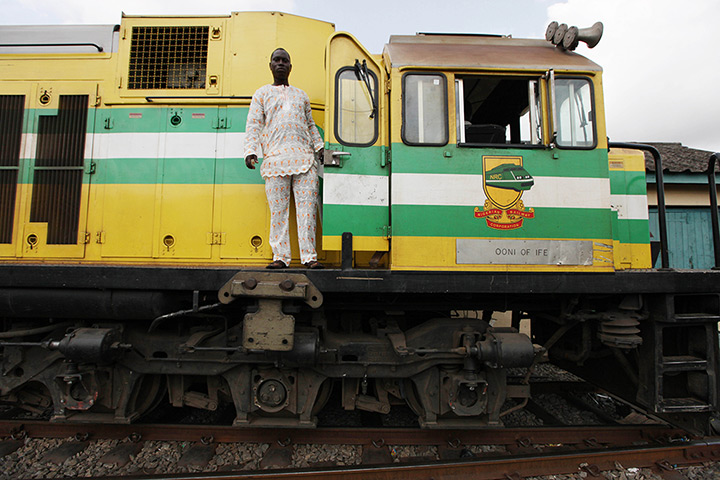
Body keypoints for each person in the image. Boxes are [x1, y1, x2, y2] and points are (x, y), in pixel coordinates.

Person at [244, 48, 324, 269]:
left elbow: (310, 126)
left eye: (285, 60)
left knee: (307, 212)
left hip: (305, 160)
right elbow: (254, 124)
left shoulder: (301, 95)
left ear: (290, 66)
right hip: (275, 161)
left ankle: (309, 258)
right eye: (276, 60)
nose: (280, 63)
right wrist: (250, 150)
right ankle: (280, 257)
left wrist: (319, 148)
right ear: (270, 65)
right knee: (278, 213)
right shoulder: (261, 94)